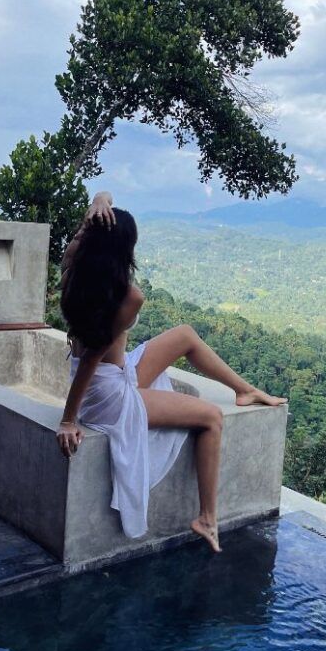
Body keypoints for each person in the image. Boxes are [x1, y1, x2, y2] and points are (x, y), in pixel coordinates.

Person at [56, 191, 287, 553]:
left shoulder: (75, 267)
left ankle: (245, 390)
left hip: (107, 377)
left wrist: (99, 200)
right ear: (124, 251)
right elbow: (89, 362)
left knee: (184, 336)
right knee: (211, 417)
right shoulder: (127, 296)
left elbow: (88, 361)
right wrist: (69, 420)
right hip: (108, 396)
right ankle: (207, 517)